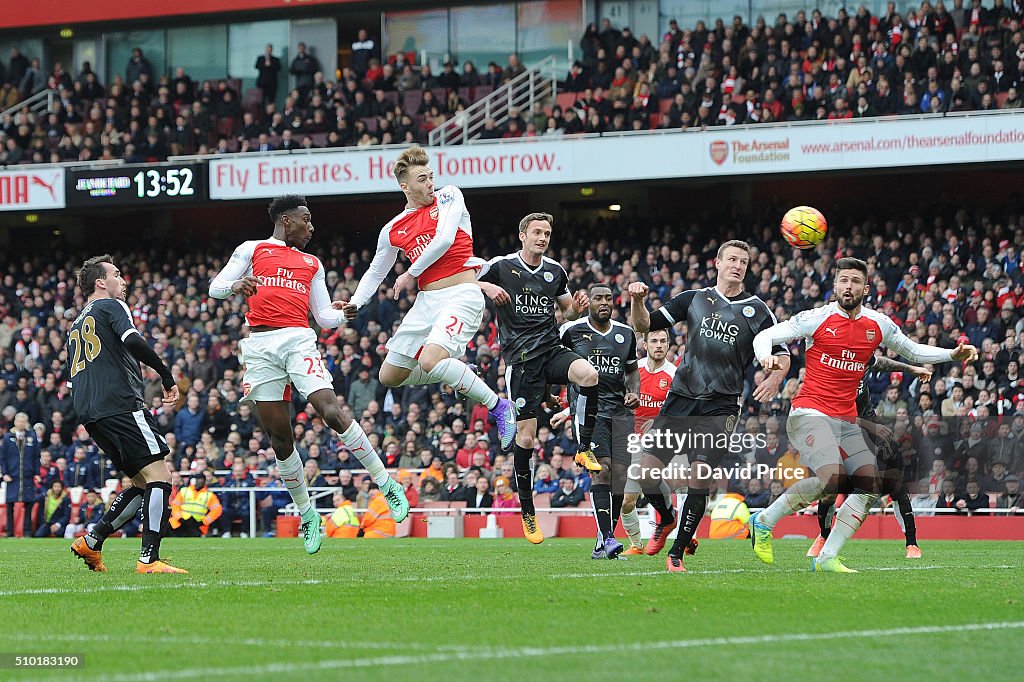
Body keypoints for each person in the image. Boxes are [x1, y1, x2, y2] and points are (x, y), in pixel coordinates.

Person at [209, 195, 408, 555]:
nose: (312, 227)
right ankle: (308, 514)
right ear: (287, 221)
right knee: (279, 438)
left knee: (331, 411)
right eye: (306, 219)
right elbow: (216, 287)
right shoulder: (252, 249)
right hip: (259, 346)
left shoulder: (312, 263)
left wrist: (343, 313)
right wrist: (236, 286)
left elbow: (323, 316)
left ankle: (385, 482)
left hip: (298, 340)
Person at [750, 257, 977, 572]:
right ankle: (762, 521)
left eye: (855, 281)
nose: (848, 286)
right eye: (843, 280)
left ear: (865, 288)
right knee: (831, 477)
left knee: (871, 486)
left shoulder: (878, 324)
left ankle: (827, 557)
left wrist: (952, 353)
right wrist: (764, 357)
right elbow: (766, 336)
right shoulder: (817, 318)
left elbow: (912, 350)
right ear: (835, 285)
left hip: (846, 419)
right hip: (809, 411)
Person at [344, 146, 517, 457]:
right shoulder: (392, 228)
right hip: (427, 301)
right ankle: (459, 372)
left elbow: (445, 239)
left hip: (461, 293)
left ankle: (498, 405)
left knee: (428, 361)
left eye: (430, 176)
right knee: (390, 376)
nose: (430, 184)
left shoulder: (449, 195)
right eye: (421, 179)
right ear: (405, 187)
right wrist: (355, 301)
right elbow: (375, 272)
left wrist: (411, 272)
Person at [630, 240, 791, 572]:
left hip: (721, 407)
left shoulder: (758, 310)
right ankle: (667, 518)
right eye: (731, 259)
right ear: (717, 263)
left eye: (743, 261)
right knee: (646, 472)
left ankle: (676, 553)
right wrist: (637, 300)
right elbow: (645, 325)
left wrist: (775, 380)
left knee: (699, 477)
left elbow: (784, 353)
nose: (737, 265)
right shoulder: (694, 299)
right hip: (681, 399)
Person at [476, 211, 600, 544]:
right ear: (523, 235)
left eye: (547, 233)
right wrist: (486, 285)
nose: (543, 238)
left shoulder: (555, 271)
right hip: (521, 361)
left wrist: (577, 305)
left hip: (551, 348)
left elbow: (568, 312)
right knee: (527, 439)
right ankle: (528, 514)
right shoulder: (501, 266)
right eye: (537, 233)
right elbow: (465, 279)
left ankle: (583, 447)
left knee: (588, 374)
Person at [66, 255, 186, 574]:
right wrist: (165, 374)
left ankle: (92, 542)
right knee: (160, 476)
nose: (124, 280)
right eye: (117, 275)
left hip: (90, 412)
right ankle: (149, 559)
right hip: (118, 403)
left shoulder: (77, 323)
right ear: (100, 283)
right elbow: (131, 340)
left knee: (141, 481)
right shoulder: (110, 306)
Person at [808, 355, 931, 560]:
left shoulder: (860, 357)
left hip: (870, 432)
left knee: (896, 485)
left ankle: (912, 544)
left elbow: (884, 363)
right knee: (830, 491)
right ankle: (823, 536)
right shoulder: (831, 375)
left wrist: (912, 369)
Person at [559, 285, 640, 559]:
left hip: (620, 412)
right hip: (588, 412)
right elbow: (557, 364)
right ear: (589, 303)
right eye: (598, 299)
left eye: (608, 299)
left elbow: (631, 371)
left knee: (619, 477)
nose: (604, 303)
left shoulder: (625, 334)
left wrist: (634, 392)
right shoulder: (572, 332)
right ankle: (607, 538)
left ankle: (600, 540)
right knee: (601, 469)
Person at [621, 328, 677, 554]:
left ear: (669, 344)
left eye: (663, 341)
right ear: (645, 345)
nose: (659, 345)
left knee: (680, 484)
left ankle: (681, 529)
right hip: (632, 441)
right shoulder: (634, 371)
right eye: (654, 341)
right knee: (626, 501)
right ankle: (636, 544)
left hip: (662, 441)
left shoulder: (674, 374)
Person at [2, 411, 40, 537]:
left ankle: (27, 531)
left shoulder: (32, 436)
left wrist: (37, 472)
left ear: (26, 423)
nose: (21, 423)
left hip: (27, 475)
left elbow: (36, 456)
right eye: (19, 421)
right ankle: (10, 531)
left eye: (23, 421)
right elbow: (3, 457)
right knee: (10, 504)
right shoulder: (8, 437)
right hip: (12, 475)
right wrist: (5, 473)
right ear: (15, 422)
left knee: (29, 503)